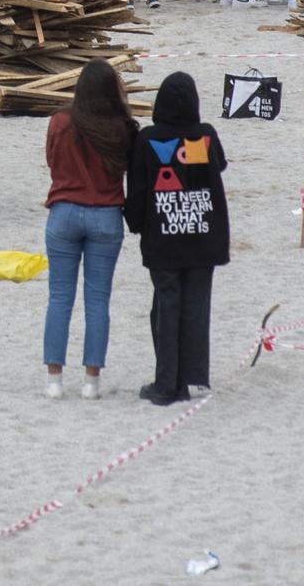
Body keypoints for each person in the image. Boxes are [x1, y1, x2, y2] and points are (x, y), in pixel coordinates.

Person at [123, 70, 228, 406]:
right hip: (202, 236)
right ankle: (193, 378)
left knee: (166, 308)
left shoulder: (148, 139)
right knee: (195, 306)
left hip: (164, 238)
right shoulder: (206, 135)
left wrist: (135, 223)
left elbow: (137, 189)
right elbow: (218, 166)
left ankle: (167, 383)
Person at [41, 58, 135, 399]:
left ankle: (54, 377)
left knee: (59, 297)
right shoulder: (123, 126)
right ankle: (91, 379)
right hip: (106, 214)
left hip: (64, 210)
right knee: (98, 300)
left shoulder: (60, 121)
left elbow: (52, 162)